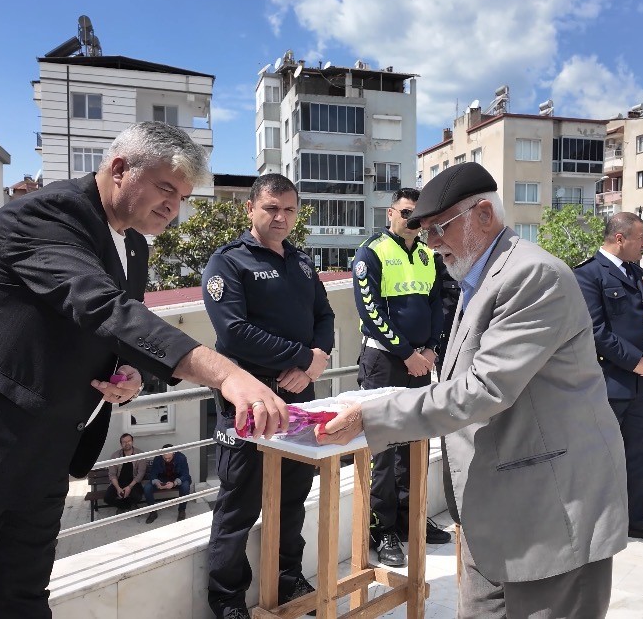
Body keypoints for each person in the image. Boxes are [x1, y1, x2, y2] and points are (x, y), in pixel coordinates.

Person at [0, 122, 289, 619]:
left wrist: (129, 371)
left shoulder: (132, 244)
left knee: (23, 603)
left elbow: (110, 334)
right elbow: (103, 308)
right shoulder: (45, 215)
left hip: (43, 452)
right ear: (119, 169)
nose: (173, 207)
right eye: (165, 188)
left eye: (180, 197)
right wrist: (227, 374)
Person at [317, 162, 628, 618]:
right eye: (423, 231)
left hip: (551, 510)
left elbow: (483, 388)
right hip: (495, 513)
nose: (431, 242)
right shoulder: (476, 275)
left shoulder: (532, 276)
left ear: (484, 214)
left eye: (440, 228)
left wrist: (374, 415)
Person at [202, 173, 335, 619]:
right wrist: (302, 357)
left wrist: (318, 358)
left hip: (299, 400)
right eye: (271, 208)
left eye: (289, 210)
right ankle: (227, 600)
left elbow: (325, 313)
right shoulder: (229, 263)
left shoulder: (300, 261)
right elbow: (234, 333)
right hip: (249, 401)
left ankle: (287, 576)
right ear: (251, 210)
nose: (281, 217)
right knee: (239, 503)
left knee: (293, 494)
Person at [352, 187, 448, 568]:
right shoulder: (372, 251)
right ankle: (383, 529)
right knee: (384, 451)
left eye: (418, 214)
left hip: (420, 364)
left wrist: (431, 350)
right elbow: (370, 310)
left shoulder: (428, 255)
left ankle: (411, 520)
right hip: (384, 363)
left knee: (415, 446)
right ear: (391, 212)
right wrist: (407, 353)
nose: (412, 220)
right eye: (406, 212)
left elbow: (438, 306)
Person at [574, 212, 643, 546]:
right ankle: (593, 524)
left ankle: (637, 519)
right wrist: (635, 362)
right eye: (640, 237)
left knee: (639, 454)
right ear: (620, 238)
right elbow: (595, 331)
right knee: (601, 456)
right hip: (610, 382)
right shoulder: (588, 275)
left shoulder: (636, 273)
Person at [142, 444, 192, 523]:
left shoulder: (181, 458)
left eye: (169, 458)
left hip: (176, 479)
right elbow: (153, 474)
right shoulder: (158, 459)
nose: (167, 460)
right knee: (147, 488)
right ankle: (153, 512)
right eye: (165, 458)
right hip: (163, 479)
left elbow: (185, 474)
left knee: (185, 486)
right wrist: (157, 482)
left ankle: (182, 510)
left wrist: (174, 483)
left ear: (174, 453)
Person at [104, 433, 146, 513]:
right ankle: (126, 506)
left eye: (129, 441)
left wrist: (129, 487)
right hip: (119, 482)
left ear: (132, 441)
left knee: (137, 496)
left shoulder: (140, 454)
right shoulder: (115, 456)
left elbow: (140, 474)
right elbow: (112, 474)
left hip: (133, 483)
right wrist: (117, 488)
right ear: (121, 444)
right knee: (107, 498)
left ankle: (125, 506)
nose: (127, 443)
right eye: (124, 442)